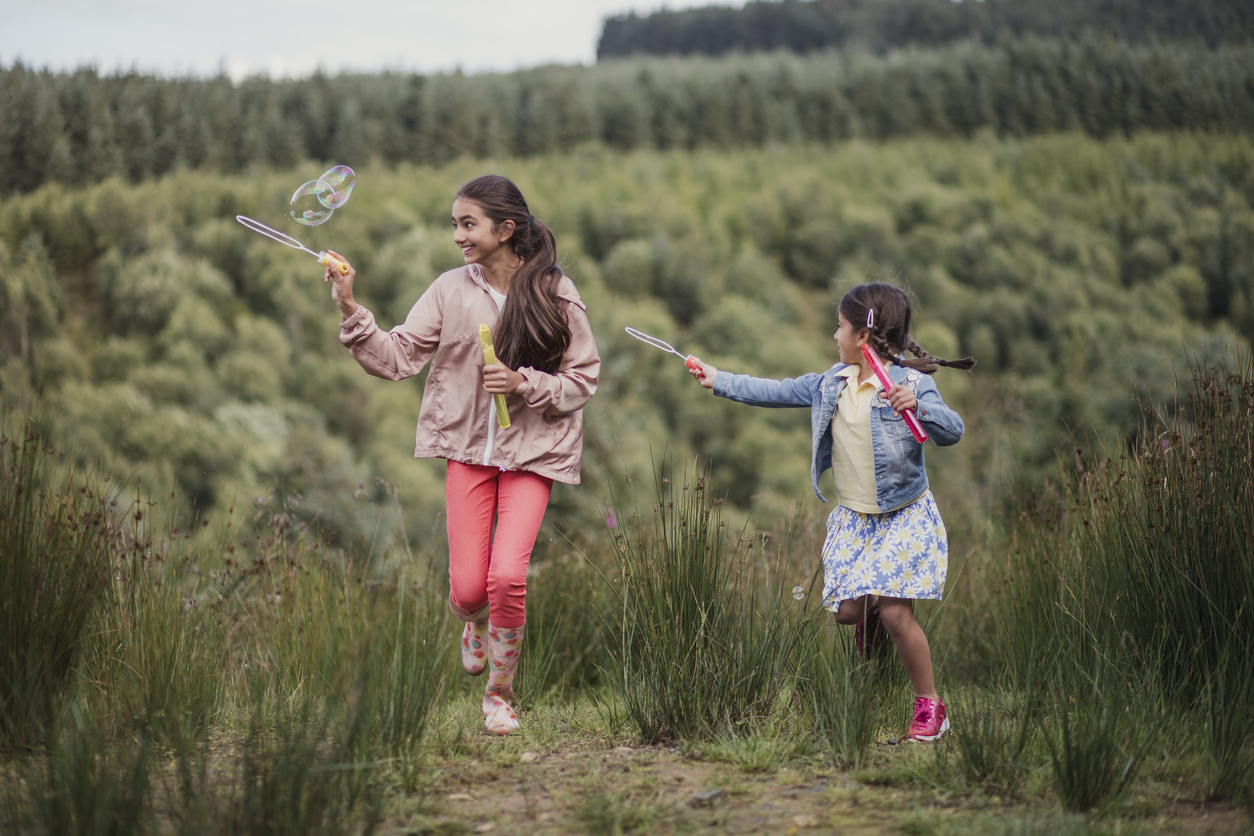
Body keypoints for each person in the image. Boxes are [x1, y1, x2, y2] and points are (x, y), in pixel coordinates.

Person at [324, 174, 600, 735]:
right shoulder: (450, 289)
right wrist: (350, 306)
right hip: (468, 452)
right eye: (455, 223)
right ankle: (472, 621)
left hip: (533, 455)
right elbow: (397, 357)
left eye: (467, 224)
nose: (457, 236)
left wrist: (523, 384)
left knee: (507, 579)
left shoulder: (556, 293)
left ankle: (499, 695)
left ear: (506, 229)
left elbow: (582, 382)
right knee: (471, 589)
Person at [686, 282, 973, 742]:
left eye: (838, 326)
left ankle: (930, 706)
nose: (832, 335)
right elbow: (774, 391)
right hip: (855, 519)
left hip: (903, 515)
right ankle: (876, 615)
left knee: (898, 615)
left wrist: (919, 406)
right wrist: (717, 378)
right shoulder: (830, 384)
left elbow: (952, 430)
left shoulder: (913, 384)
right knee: (847, 614)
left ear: (862, 337)